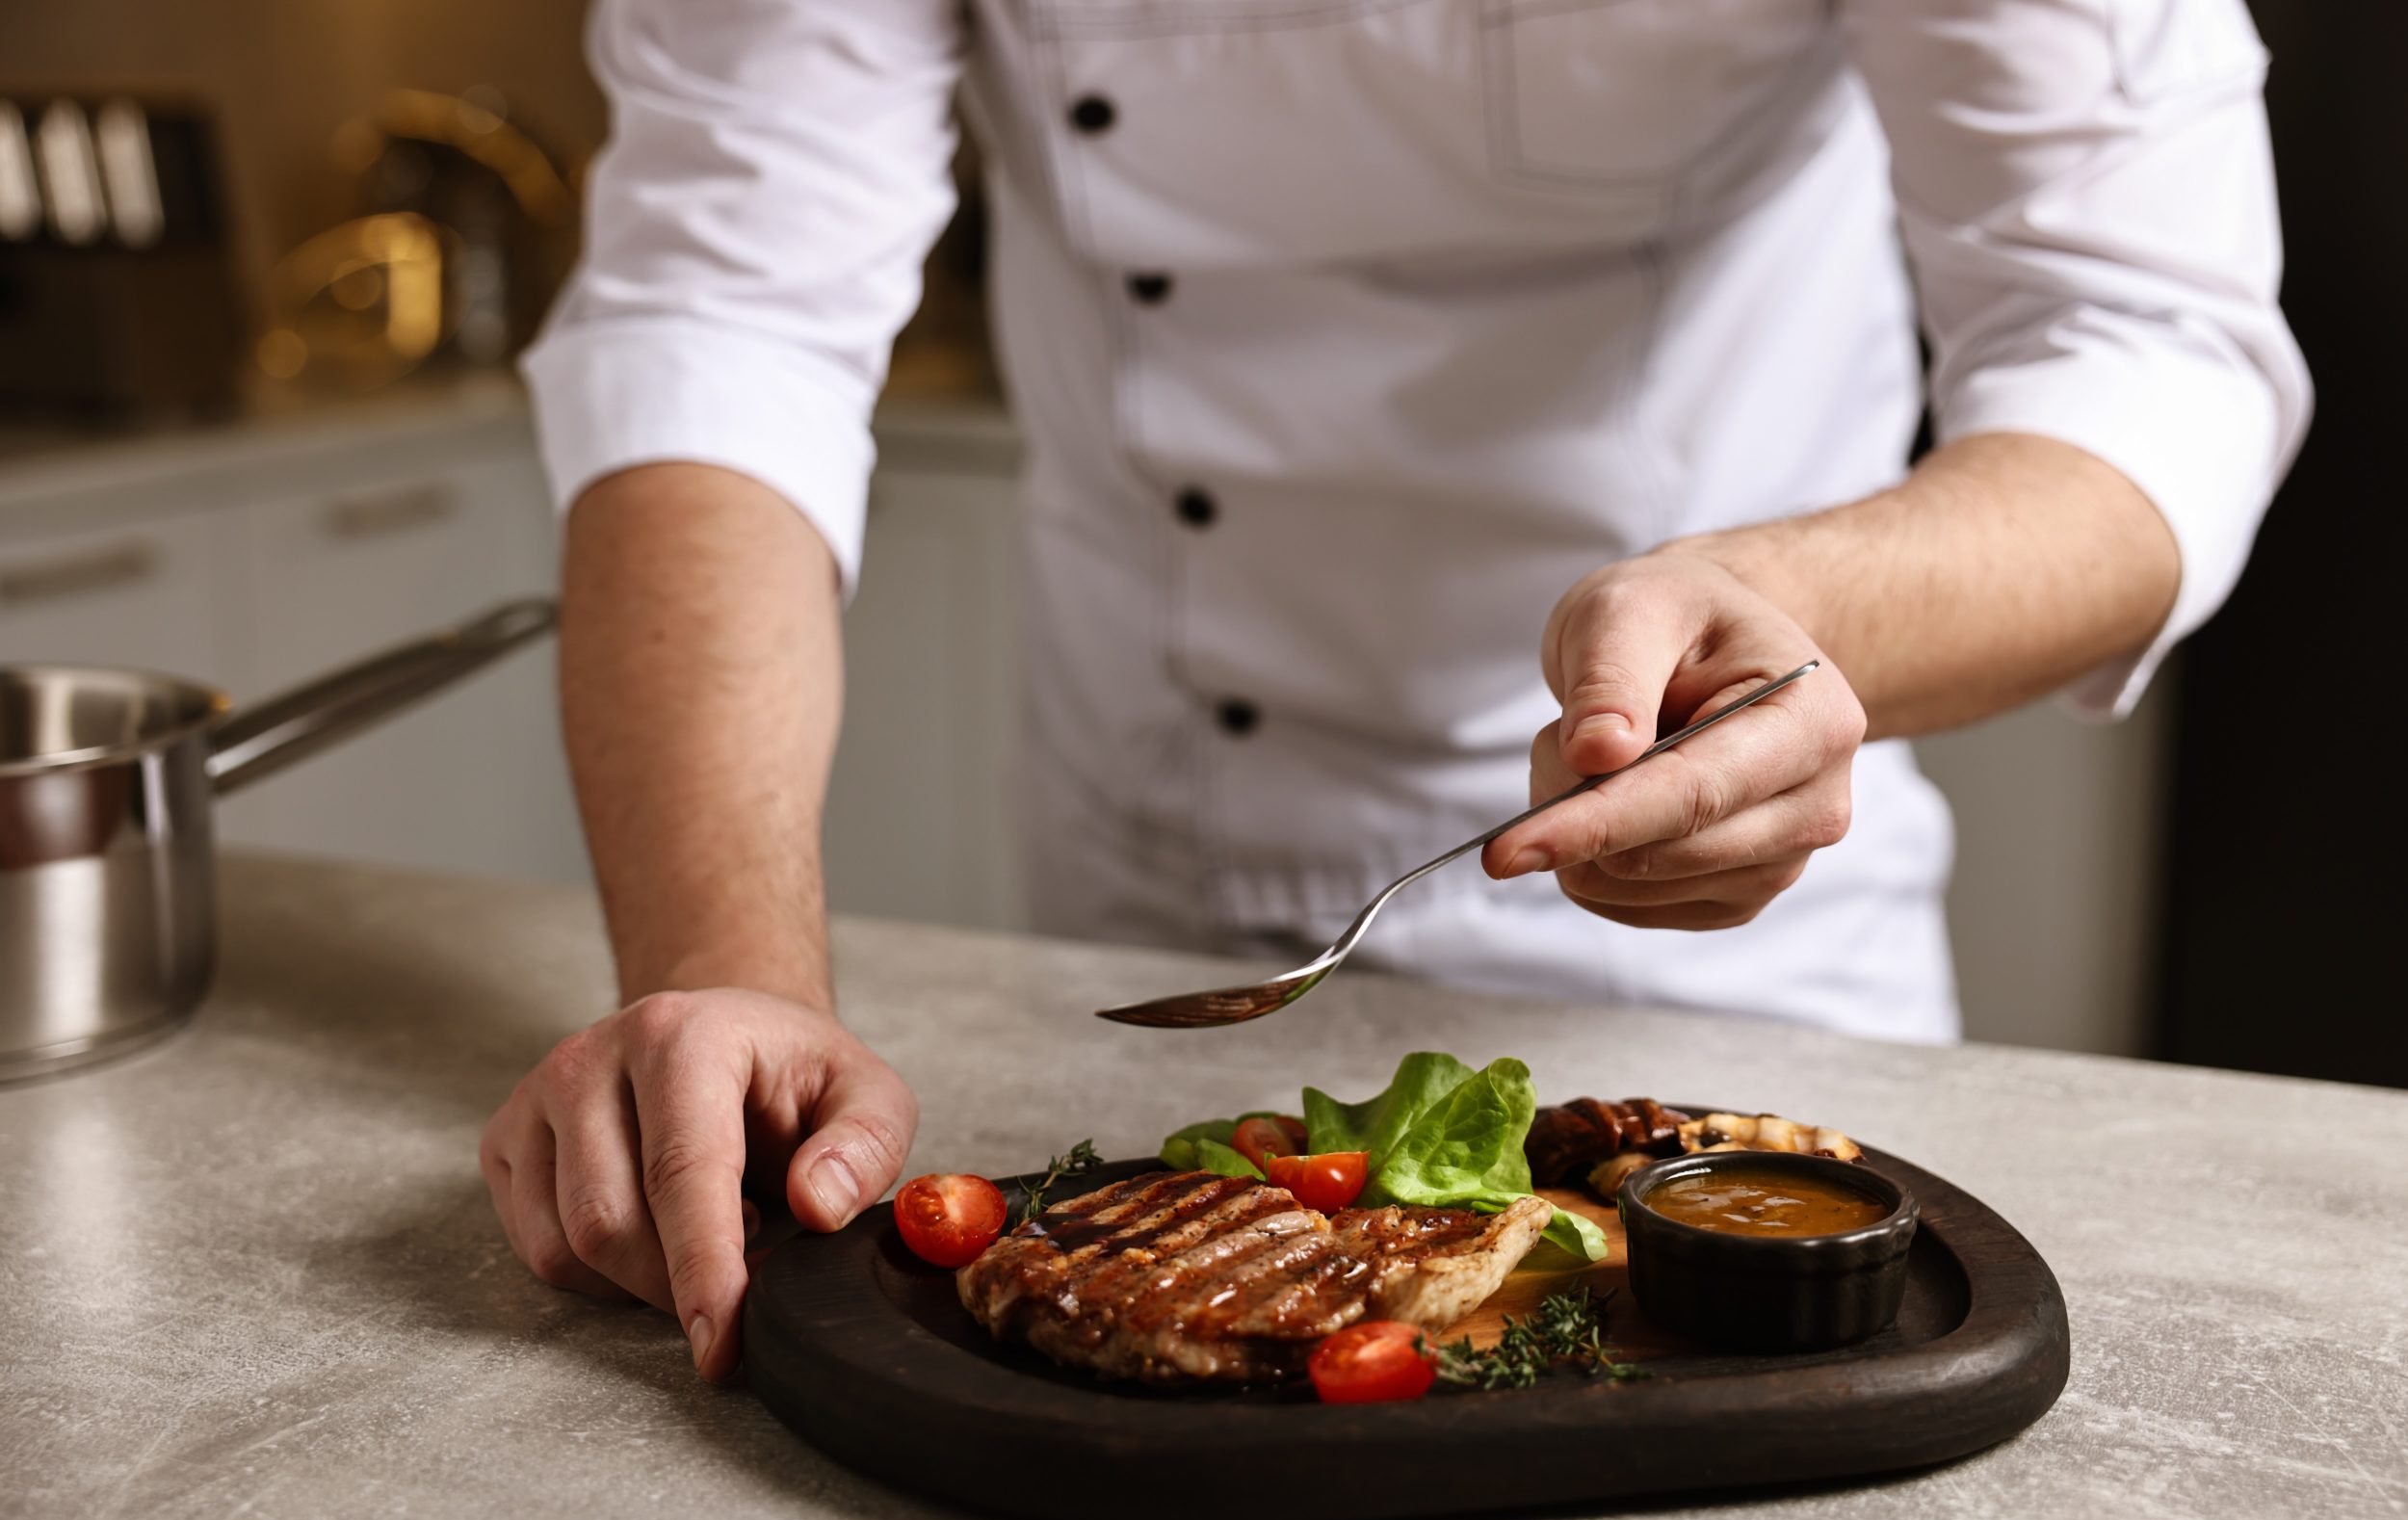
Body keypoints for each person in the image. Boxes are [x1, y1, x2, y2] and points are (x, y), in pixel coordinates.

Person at [479, 0, 2307, 1378]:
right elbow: (723, 320)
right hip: (1141, 926)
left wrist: (1802, 607)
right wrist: (728, 984)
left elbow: (2146, 348)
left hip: (1737, 947)